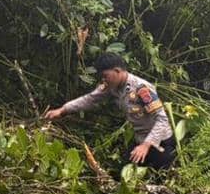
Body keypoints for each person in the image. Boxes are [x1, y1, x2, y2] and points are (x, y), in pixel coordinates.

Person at [43, 53, 176, 170]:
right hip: (140, 140)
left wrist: (146, 145)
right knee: (124, 178)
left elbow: (162, 120)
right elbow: (90, 99)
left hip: (160, 142)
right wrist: (63, 110)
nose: (103, 80)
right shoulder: (112, 86)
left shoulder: (142, 88)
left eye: (105, 76)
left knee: (161, 180)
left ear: (117, 71)